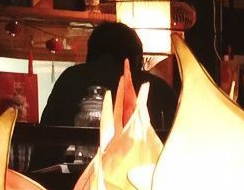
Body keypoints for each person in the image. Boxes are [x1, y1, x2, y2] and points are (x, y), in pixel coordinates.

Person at [40, 22, 177, 131]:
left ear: (91, 53)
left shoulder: (72, 78)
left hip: (76, 165)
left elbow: (45, 140)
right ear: (136, 57)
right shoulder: (157, 88)